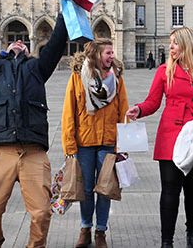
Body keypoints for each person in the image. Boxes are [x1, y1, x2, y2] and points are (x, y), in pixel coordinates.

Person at [0, 0, 69, 248]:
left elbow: (57, 43)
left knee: (42, 212)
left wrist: (65, 7)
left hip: (33, 149)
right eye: (14, 39)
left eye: (23, 40)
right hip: (0, 149)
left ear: (27, 49)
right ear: (6, 46)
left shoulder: (37, 68)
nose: (18, 40)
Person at [126, 28, 193, 248]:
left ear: (186, 44)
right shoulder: (163, 71)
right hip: (171, 133)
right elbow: (153, 102)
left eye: (175, 43)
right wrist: (139, 110)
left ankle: (192, 233)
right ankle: (166, 241)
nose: (171, 47)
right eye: (170, 43)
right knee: (169, 189)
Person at [62, 39, 128, 248]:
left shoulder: (117, 79)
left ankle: (101, 232)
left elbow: (123, 111)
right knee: (86, 189)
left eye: (112, 52)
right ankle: (85, 228)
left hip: (108, 141)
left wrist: (122, 144)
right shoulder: (77, 77)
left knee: (105, 189)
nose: (111, 56)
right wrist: (69, 146)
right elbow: (68, 113)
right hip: (84, 141)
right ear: (97, 55)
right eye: (108, 52)